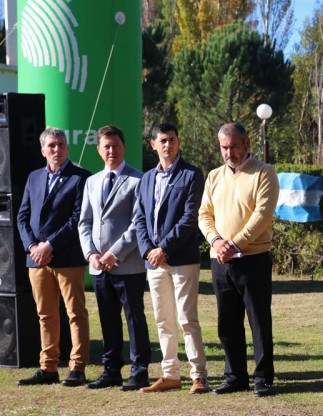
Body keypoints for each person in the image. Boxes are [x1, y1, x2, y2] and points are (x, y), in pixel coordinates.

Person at [198, 123, 280, 397]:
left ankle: (263, 378)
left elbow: (262, 215)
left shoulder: (264, 173)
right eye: (224, 147)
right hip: (220, 261)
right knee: (227, 323)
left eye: (234, 146)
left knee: (258, 321)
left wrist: (234, 244)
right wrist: (216, 241)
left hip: (252, 258)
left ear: (247, 143)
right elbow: (204, 214)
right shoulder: (214, 176)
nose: (229, 152)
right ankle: (235, 377)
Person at [134, 123, 209, 394]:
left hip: (181, 259)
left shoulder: (191, 174)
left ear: (179, 142)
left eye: (172, 140)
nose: (168, 145)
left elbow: (189, 218)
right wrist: (147, 250)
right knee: (163, 319)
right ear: (153, 144)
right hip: (154, 262)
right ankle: (170, 375)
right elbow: (139, 218)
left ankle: (198, 375)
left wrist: (163, 249)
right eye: (163, 140)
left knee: (187, 319)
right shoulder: (146, 179)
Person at [15, 128, 91, 387]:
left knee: (75, 314)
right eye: (52, 145)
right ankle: (48, 368)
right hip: (36, 260)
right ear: (43, 150)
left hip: (67, 257)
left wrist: (49, 245)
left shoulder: (80, 178)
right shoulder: (34, 177)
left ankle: (77, 368)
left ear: (67, 148)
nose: (56, 149)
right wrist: (32, 247)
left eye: (61, 145)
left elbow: (78, 218)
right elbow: (22, 216)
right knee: (45, 315)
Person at [78, 125, 151, 391]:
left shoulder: (138, 180)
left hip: (128, 265)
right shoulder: (92, 182)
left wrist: (114, 253)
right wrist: (91, 253)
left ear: (124, 147)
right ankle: (111, 371)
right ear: (99, 150)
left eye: (116, 146)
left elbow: (138, 224)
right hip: (99, 267)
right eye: (106, 146)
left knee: (134, 319)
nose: (112, 151)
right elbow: (85, 222)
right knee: (108, 321)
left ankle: (139, 371)